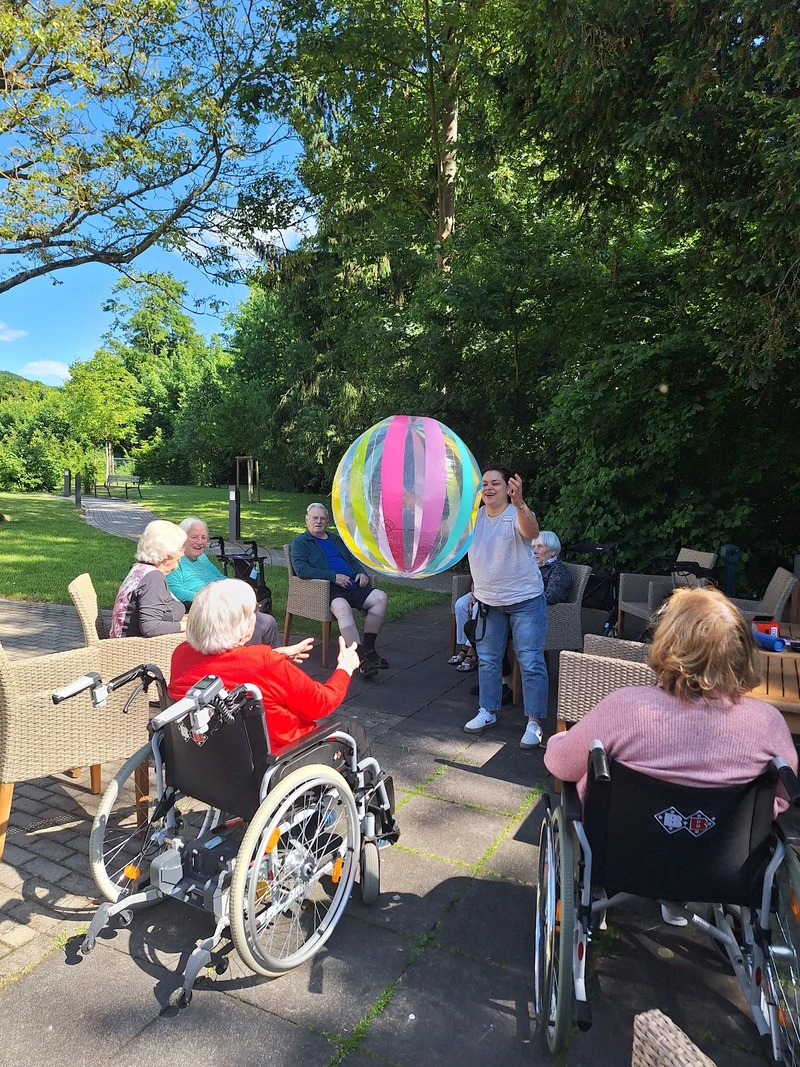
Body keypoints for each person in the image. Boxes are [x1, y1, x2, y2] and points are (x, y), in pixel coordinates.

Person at [544, 586, 797, 815]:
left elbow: (561, 764)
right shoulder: (767, 723)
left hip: (622, 857)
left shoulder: (626, 709)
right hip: (733, 862)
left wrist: (560, 739)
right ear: (744, 652)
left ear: (668, 645)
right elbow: (784, 795)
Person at [169, 579, 368, 753]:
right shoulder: (263, 663)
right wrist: (345, 668)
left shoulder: (181, 654)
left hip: (210, 760)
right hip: (278, 757)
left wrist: (277, 655)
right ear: (244, 627)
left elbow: (223, 666)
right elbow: (320, 704)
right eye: (255, 610)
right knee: (353, 732)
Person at [463, 465, 548, 749]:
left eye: (495, 483)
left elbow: (532, 531)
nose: (488, 488)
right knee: (488, 660)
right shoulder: (473, 519)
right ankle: (487, 711)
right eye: (484, 483)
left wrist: (520, 502)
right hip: (489, 601)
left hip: (525, 600)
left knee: (530, 661)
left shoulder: (515, 513)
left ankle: (534, 723)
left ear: (508, 486)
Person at [290, 503, 389, 679]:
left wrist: (361, 572)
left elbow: (351, 560)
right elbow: (301, 569)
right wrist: (333, 577)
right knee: (342, 608)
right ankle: (360, 660)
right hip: (328, 590)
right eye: (315, 518)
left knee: (380, 598)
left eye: (322, 518)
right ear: (307, 520)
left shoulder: (335, 539)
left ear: (327, 521)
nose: (318, 521)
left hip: (352, 585)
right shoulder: (301, 543)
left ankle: (369, 649)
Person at [167, 516, 279, 646]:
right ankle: (250, 663)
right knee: (254, 628)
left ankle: (273, 663)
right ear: (182, 538)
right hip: (206, 611)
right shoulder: (176, 560)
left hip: (226, 605)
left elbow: (221, 578)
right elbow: (174, 591)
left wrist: (241, 592)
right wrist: (208, 597)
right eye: (194, 537)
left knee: (268, 622)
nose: (200, 541)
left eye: (203, 537)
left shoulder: (202, 558)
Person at [110, 520, 188, 638]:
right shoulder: (153, 579)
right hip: (138, 649)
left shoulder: (140, 569)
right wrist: (189, 626)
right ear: (167, 552)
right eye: (180, 549)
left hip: (127, 642)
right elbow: (151, 627)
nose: (182, 554)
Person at [533, 531, 573, 605]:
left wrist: (523, 599)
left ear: (553, 552)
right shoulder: (531, 566)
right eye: (533, 546)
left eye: (540, 547)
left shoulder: (559, 570)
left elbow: (552, 597)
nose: (534, 551)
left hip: (541, 610)